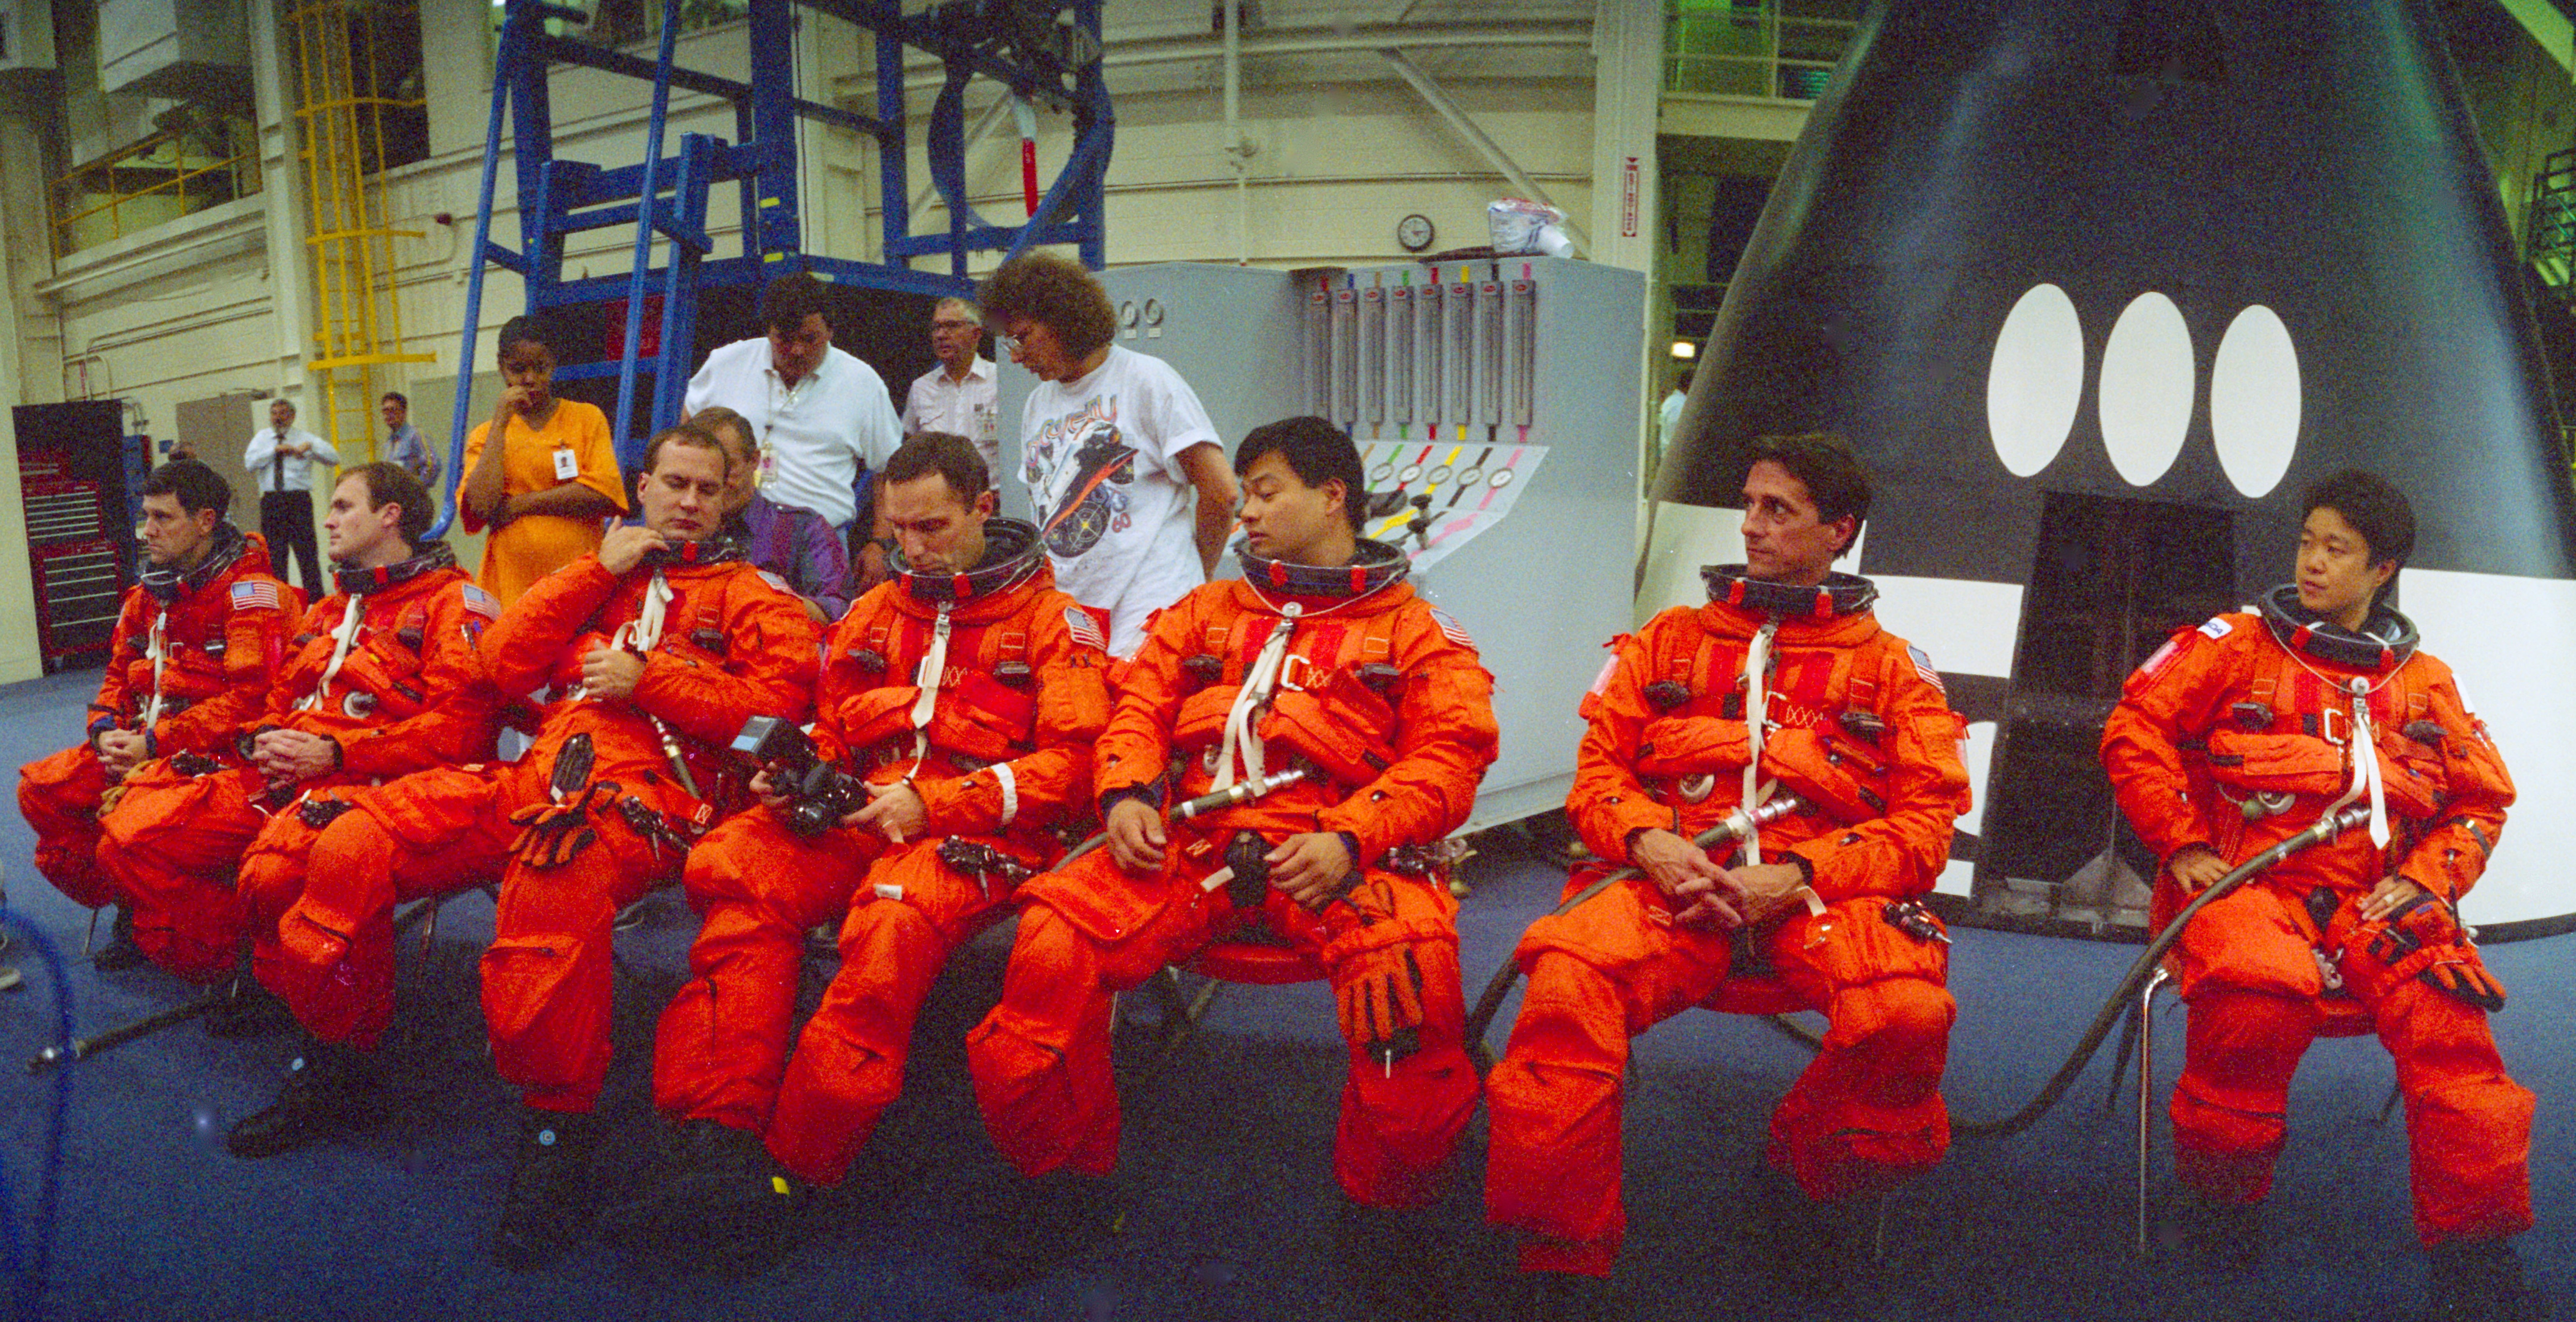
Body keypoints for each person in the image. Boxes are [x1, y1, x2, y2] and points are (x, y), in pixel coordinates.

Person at [232, 427, 818, 1266]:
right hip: (531, 780)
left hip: (647, 802)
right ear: (641, 489)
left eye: (707, 489)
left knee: (553, 873)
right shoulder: (592, 581)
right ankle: (340, 1064)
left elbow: (776, 723)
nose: (689, 503)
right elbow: (501, 667)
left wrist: (652, 682)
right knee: (350, 839)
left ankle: (555, 1137)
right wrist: (598, 568)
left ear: (731, 497)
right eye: (674, 484)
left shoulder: (758, 596)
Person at [961, 417, 1496, 1306]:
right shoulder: (1203, 613)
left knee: (1411, 998)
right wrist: (1127, 793)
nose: (1240, 509)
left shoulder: (1415, 631)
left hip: (1339, 854)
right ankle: (1062, 1185)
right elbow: (1134, 707)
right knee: (1049, 943)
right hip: (1190, 847)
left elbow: (1449, 757)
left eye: (1262, 490)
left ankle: (1384, 1217)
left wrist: (1352, 835)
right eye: (1241, 491)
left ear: (1331, 496)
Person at [1483, 432, 1971, 1317]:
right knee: (1562, 986)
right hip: (1663, 880)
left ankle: (1800, 1164)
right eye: (1746, 504)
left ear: (1837, 529)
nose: (1747, 525)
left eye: (1775, 509)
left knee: (1905, 1013)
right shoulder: (1663, 642)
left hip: (1818, 895)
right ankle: (1562, 1251)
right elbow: (1594, 779)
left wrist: (1793, 871)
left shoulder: (1895, 670)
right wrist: (1649, 844)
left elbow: (1923, 828)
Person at [629, 431, 1110, 1269]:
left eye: (932, 528)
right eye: (897, 533)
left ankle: (794, 1169)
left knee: (885, 936)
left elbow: (1072, 766)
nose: (911, 550)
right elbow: (830, 725)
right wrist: (797, 773)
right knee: (737, 872)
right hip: (862, 817)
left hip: (977, 835)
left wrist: (937, 803)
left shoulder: (1052, 620)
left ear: (982, 510)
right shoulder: (872, 611)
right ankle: (715, 1131)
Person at [2098, 470, 2532, 1317]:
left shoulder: (2424, 681)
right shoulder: (2234, 644)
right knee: (2257, 999)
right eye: (2305, 541)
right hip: (2246, 887)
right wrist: (2181, 842)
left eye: (2337, 550)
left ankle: (2475, 1249)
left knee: (2452, 1027)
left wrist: (2421, 880)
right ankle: (2220, 1204)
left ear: (2382, 570)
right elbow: (2134, 727)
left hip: (2381, 902)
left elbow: (2480, 800)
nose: (2312, 563)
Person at [91, 463, 495, 1028]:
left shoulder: (457, 603)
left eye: (343, 507)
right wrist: (263, 738)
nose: (326, 521)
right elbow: (275, 698)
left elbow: (461, 732)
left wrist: (337, 754)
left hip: (383, 786)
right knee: (130, 840)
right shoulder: (332, 609)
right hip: (288, 774)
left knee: (278, 874)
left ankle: (342, 1052)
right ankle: (252, 968)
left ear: (390, 516)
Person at [17, 461, 298, 969]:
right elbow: (118, 673)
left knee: (132, 825)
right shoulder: (149, 594)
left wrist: (155, 743)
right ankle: (139, 900)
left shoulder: (253, 596)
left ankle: (244, 954)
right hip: (146, 744)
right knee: (44, 792)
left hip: (220, 758)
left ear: (206, 520)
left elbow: (252, 703)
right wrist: (104, 730)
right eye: (146, 516)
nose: (147, 530)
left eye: (163, 517)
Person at [978, 253, 1239, 655]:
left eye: (1023, 337)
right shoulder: (1037, 403)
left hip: (1152, 612)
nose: (1015, 355)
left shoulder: (1147, 380)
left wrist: (1192, 577)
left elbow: (1221, 491)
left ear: (1063, 319)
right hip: (1075, 615)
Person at [682, 272, 904, 617]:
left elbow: (888, 469)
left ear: (831, 331)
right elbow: (687, 436)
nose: (797, 350)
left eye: (810, 339)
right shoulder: (726, 364)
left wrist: (880, 543)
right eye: (784, 340)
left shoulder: (862, 382)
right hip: (728, 536)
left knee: (815, 639)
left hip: (820, 547)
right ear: (767, 331)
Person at [457, 314, 627, 606]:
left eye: (541, 368)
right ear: (501, 366)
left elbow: (603, 493)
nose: (530, 379)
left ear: (554, 364)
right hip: (511, 592)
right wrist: (500, 422)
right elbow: (481, 507)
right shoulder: (485, 436)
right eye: (518, 369)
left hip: (579, 587)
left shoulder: (587, 418)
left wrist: (518, 505)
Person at [243, 398, 338, 595]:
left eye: (283, 413)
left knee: (307, 555)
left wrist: (311, 447)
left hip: (298, 501)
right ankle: (281, 602)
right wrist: (274, 450)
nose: (278, 417)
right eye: (275, 413)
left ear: (292, 416)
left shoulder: (304, 438)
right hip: (272, 502)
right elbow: (250, 464)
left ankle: (316, 602)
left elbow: (333, 458)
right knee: (275, 556)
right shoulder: (262, 438)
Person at [901, 297, 1000, 470]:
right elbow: (910, 449)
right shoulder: (921, 388)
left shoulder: (1000, 381)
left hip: (993, 494)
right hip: (938, 496)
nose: (941, 335)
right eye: (936, 328)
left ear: (976, 334)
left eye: (952, 326)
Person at [383, 391, 437, 487]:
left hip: (412, 498)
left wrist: (416, 488)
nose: (389, 415)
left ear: (404, 412)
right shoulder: (388, 443)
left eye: (393, 410)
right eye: (385, 411)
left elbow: (432, 465)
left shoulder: (416, 436)